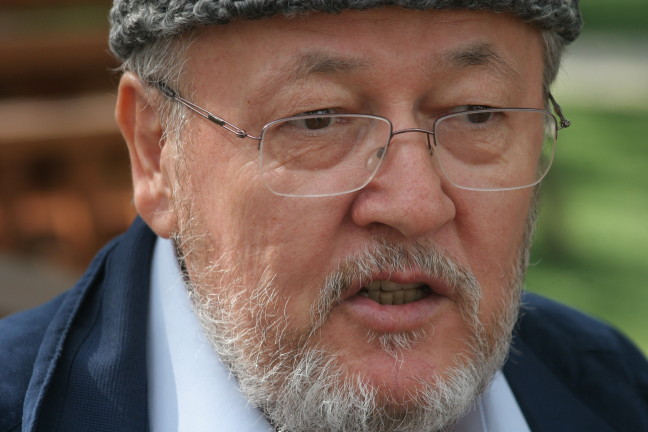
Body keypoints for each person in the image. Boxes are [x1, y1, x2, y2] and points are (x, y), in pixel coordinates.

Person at [1, 1, 646, 431]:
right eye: (318, 120)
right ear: (156, 152)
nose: (414, 204)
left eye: (477, 114)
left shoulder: (616, 394)